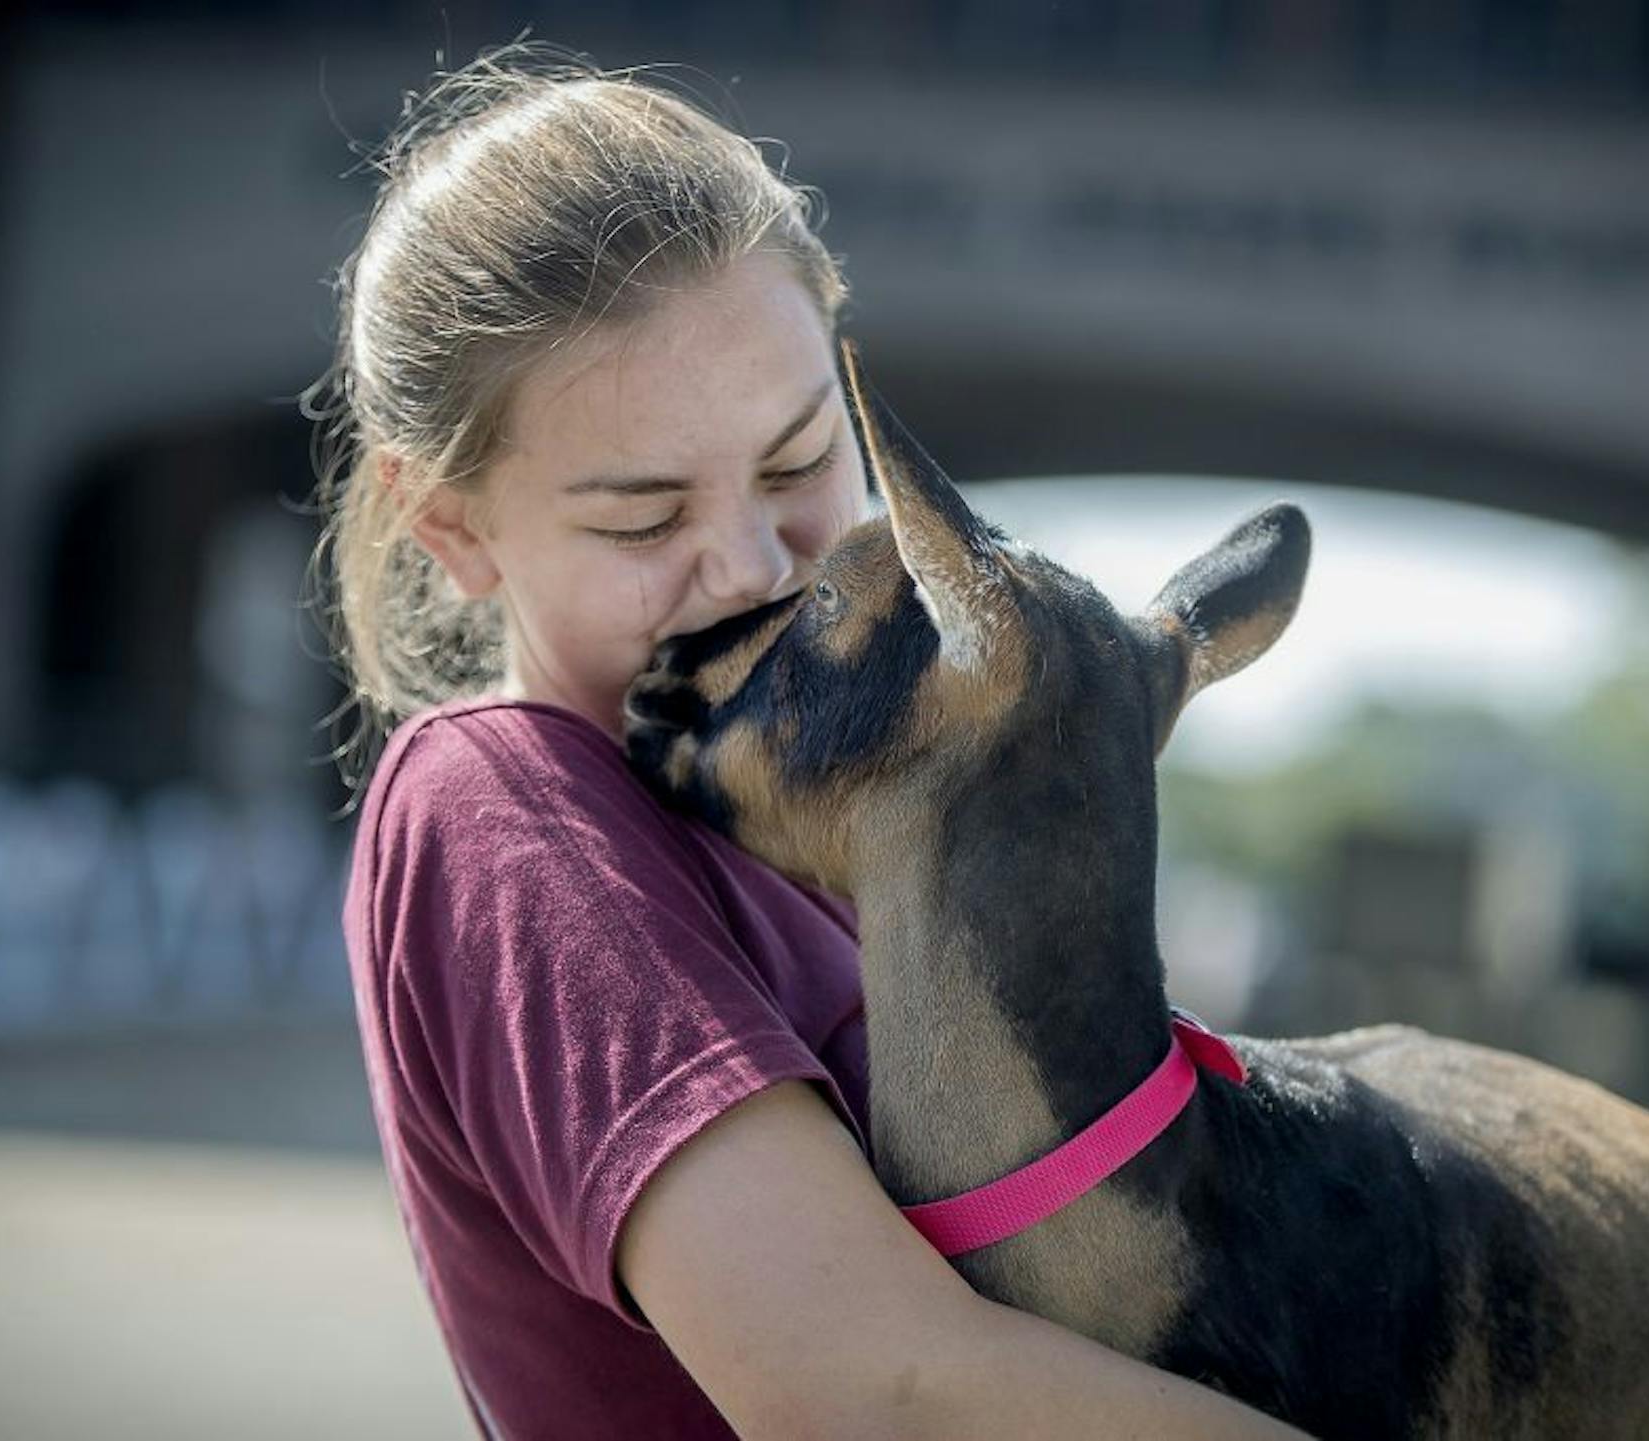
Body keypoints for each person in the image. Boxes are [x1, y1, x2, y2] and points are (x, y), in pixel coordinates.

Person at [309, 45, 1305, 1440]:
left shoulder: (835, 824)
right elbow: (875, 1388)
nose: (748, 565)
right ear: (453, 527)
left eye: (795, 464)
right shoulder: (503, 808)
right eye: (643, 519)